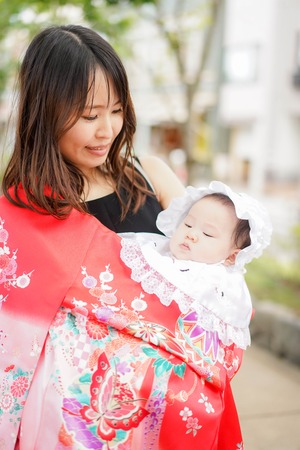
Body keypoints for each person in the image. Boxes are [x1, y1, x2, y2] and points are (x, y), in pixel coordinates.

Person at [0, 24, 250, 449]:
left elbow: (220, 270)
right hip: (86, 427)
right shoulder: (25, 211)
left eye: (116, 110)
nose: (107, 130)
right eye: (89, 115)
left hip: (173, 409)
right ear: (45, 112)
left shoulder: (149, 173)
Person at [120, 180, 273, 351]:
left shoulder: (221, 283)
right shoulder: (156, 249)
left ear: (232, 256)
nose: (191, 234)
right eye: (188, 224)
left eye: (207, 233)